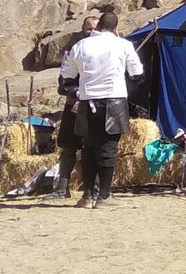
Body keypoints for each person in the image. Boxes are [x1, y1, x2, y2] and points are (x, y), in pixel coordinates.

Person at [58, 11, 144, 208]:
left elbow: (67, 77)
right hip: (114, 100)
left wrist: (78, 89)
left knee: (88, 148)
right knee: (108, 149)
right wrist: (124, 87)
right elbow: (137, 73)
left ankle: (87, 196)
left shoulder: (80, 46)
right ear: (115, 28)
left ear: (97, 27)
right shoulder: (123, 45)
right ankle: (104, 196)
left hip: (87, 102)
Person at [50, 15, 101, 199]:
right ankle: (62, 188)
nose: (91, 31)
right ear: (82, 29)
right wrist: (75, 91)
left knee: (94, 147)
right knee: (69, 146)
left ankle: (95, 189)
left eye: (95, 28)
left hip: (97, 104)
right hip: (75, 104)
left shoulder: (105, 52)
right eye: (88, 28)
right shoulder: (74, 50)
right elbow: (63, 81)